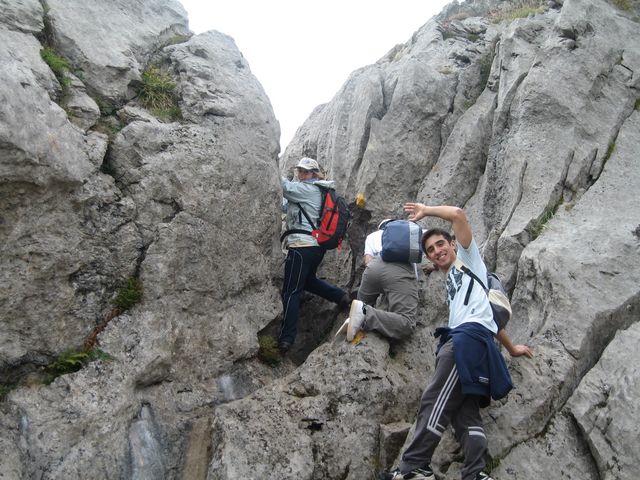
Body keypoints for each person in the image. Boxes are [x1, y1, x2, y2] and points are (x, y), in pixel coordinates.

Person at [380, 203, 533, 480]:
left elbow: (459, 215)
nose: (438, 251)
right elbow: (490, 319)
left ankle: (415, 467)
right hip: (478, 341)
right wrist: (512, 348)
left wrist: (426, 210)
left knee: (435, 398)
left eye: (441, 244)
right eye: (431, 250)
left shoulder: (469, 260)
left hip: (465, 340)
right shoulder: (455, 282)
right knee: (464, 414)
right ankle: (475, 474)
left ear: (453, 244)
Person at [279, 157, 349, 354]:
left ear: (314, 174)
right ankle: (341, 297)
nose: (301, 174)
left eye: (306, 171)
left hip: (301, 247)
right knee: (307, 281)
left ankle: (286, 338)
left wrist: (273, 167)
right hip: (315, 248)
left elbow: (284, 186)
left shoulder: (308, 189)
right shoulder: (315, 191)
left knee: (291, 291)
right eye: (300, 170)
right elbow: (286, 205)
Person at [338, 219, 419, 342]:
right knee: (406, 323)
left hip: (373, 267)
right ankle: (365, 313)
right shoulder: (410, 233)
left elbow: (367, 261)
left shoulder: (372, 237)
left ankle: (355, 320)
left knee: (360, 305)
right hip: (400, 270)